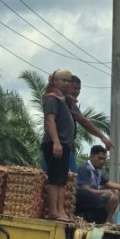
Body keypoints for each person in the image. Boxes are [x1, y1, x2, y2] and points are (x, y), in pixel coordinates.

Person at [41, 69, 75, 222]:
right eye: (63, 80)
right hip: (55, 143)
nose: (67, 83)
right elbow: (50, 120)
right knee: (55, 178)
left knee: (62, 179)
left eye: (69, 81)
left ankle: (61, 209)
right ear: (55, 81)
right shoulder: (51, 98)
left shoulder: (64, 99)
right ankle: (53, 211)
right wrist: (56, 141)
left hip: (64, 144)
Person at [75, 145, 120, 223]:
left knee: (116, 192)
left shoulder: (97, 171)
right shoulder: (85, 168)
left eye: (104, 159)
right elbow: (85, 191)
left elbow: (111, 184)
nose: (102, 161)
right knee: (111, 194)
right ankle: (104, 221)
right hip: (83, 202)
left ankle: (107, 220)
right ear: (91, 157)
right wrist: (105, 192)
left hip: (93, 200)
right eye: (99, 158)